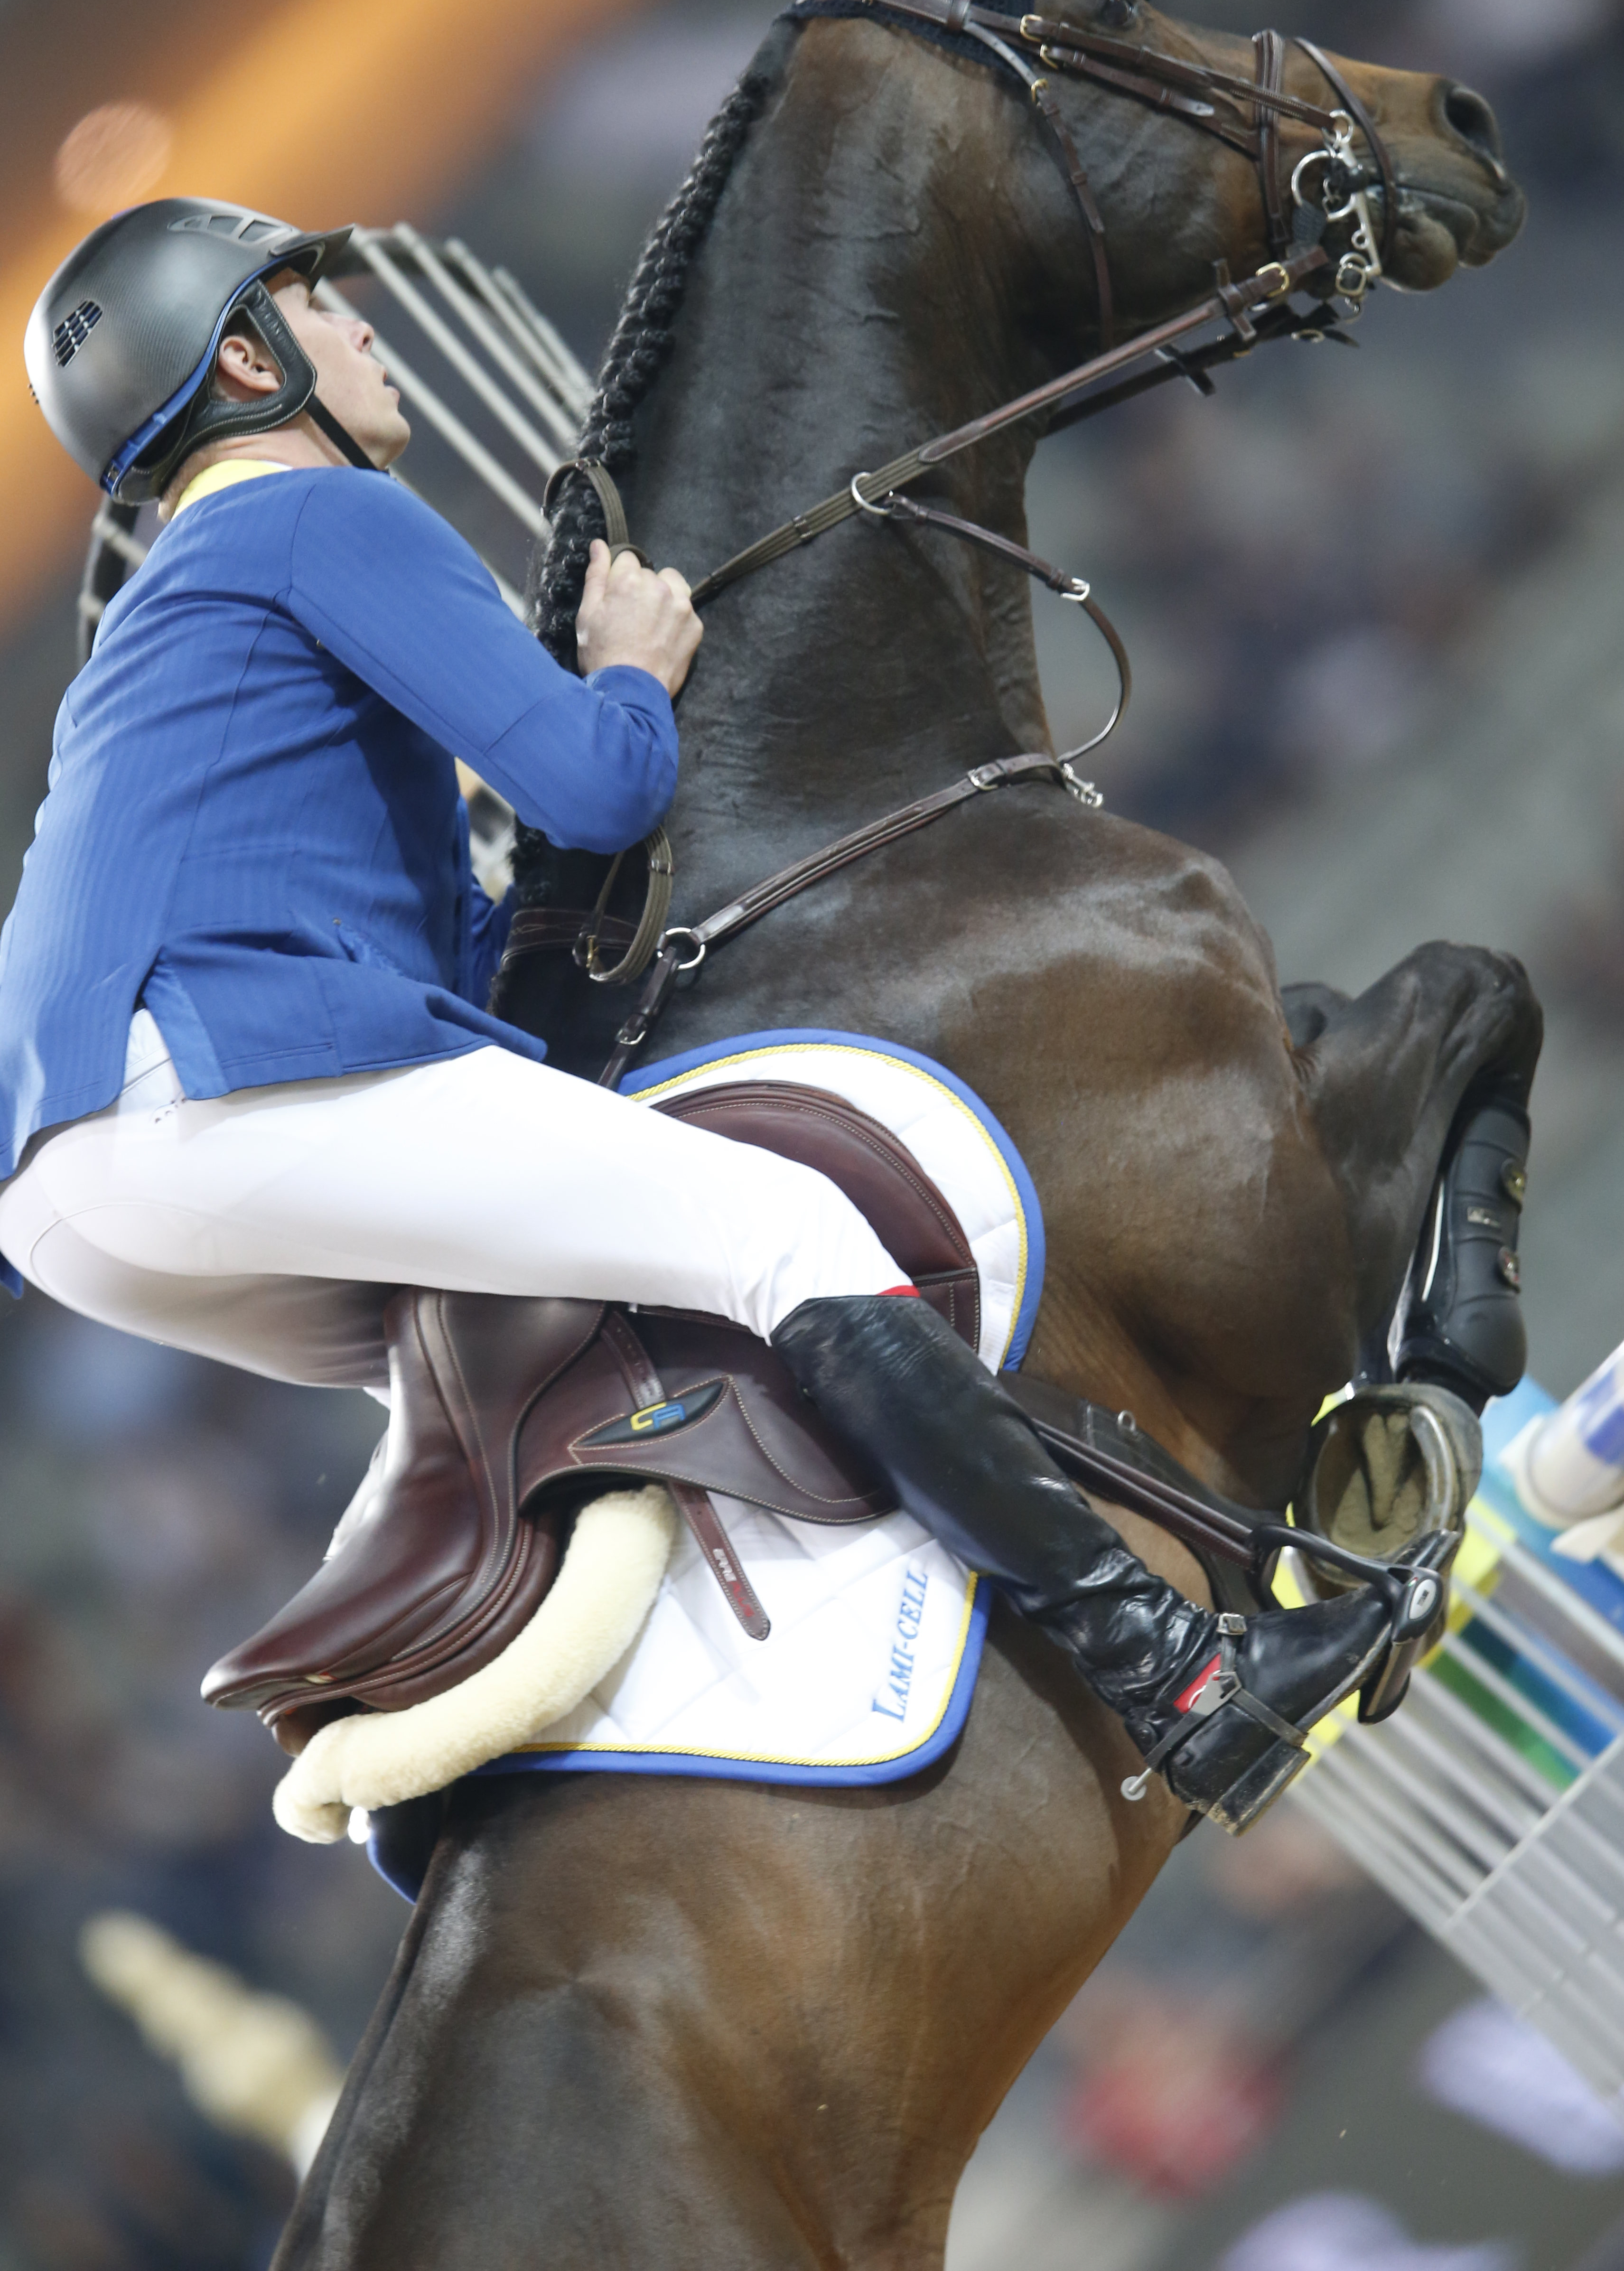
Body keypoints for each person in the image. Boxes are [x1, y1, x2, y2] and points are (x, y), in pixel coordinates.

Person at [1, 197, 1397, 1832]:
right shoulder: (306, 516)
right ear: (247, 360)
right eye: (315, 303)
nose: (365, 326)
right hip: (212, 1095)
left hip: (72, 1200)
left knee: (514, 1383)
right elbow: (598, 783)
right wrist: (632, 663)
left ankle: (504, 1815)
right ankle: (1189, 1686)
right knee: (782, 1238)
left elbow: (460, 943)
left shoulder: (196, 598)